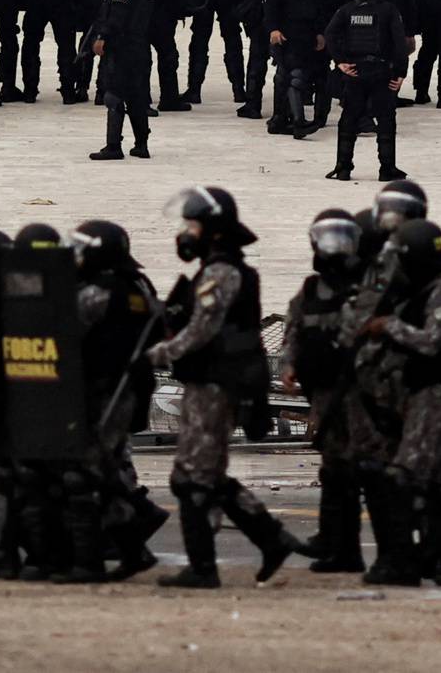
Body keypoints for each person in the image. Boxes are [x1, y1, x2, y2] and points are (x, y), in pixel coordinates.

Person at [147, 186, 307, 589]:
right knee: (204, 475)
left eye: (193, 224)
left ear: (214, 229)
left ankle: (204, 567)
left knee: (194, 478)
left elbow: (202, 331)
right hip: (210, 381)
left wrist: (158, 353)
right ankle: (271, 539)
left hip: (216, 385)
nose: (186, 232)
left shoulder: (221, 273)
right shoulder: (217, 269)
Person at [353, 217, 441, 587]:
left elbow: (433, 341)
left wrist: (389, 327)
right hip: (422, 391)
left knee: (406, 476)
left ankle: (405, 561)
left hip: (438, 392)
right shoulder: (422, 287)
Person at [68, 220, 165, 581]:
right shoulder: (138, 284)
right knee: (106, 464)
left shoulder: (97, 293)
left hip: (103, 391)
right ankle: (132, 543)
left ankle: (106, 547)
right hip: (131, 388)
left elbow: (68, 329)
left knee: (89, 471)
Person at [281, 210, 370, 574]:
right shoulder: (310, 290)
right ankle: (336, 545)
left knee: (362, 467)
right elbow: (294, 330)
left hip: (361, 391)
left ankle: (359, 549)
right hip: (324, 391)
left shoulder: (367, 287)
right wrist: (289, 364)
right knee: (334, 467)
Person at [325, 0, 411, 182]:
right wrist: (400, 73)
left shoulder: (346, 10)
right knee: (385, 120)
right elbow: (400, 44)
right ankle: (387, 168)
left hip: (355, 71)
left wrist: (340, 62)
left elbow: (330, 34)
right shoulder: (389, 11)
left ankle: (343, 167)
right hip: (381, 71)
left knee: (349, 119)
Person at [264, 0, 347, 138]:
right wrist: (273, 29)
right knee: (293, 75)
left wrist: (320, 32)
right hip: (287, 31)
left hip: (308, 31)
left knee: (303, 74)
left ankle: (288, 119)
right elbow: (271, 4)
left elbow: (315, 5)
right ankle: (295, 122)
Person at [86, 0, 156, 162]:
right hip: (140, 45)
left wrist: (103, 37)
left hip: (122, 45)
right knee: (136, 95)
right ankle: (141, 144)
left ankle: (113, 145)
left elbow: (118, 14)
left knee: (113, 94)